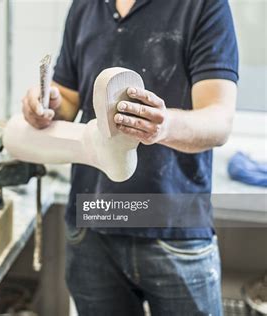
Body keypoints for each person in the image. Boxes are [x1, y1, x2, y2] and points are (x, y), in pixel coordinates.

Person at [21, 0, 238, 315]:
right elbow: (67, 98)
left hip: (173, 228)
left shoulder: (204, 5)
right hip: (92, 226)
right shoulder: (85, 6)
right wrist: (47, 106)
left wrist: (165, 127)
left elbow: (219, 121)